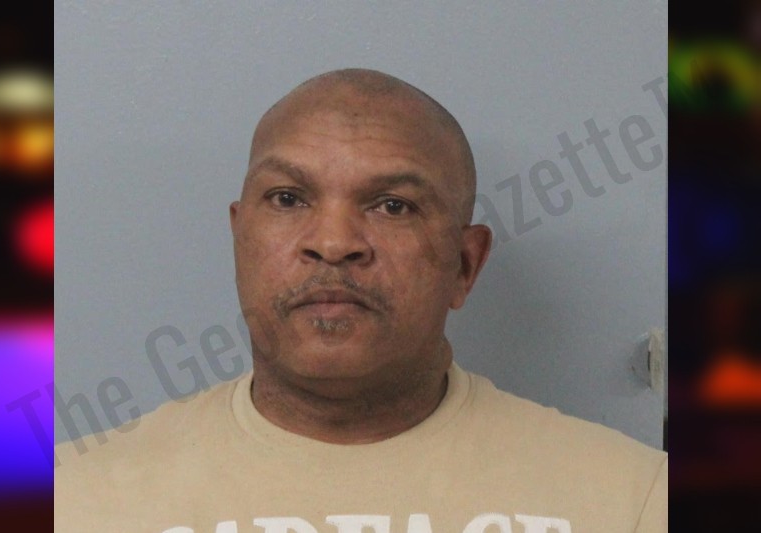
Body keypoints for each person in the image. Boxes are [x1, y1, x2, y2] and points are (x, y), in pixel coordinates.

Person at [55, 68, 667, 532]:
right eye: (288, 198)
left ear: (464, 264)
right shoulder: (74, 501)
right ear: (240, 237)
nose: (332, 243)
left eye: (393, 206)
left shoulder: (635, 501)